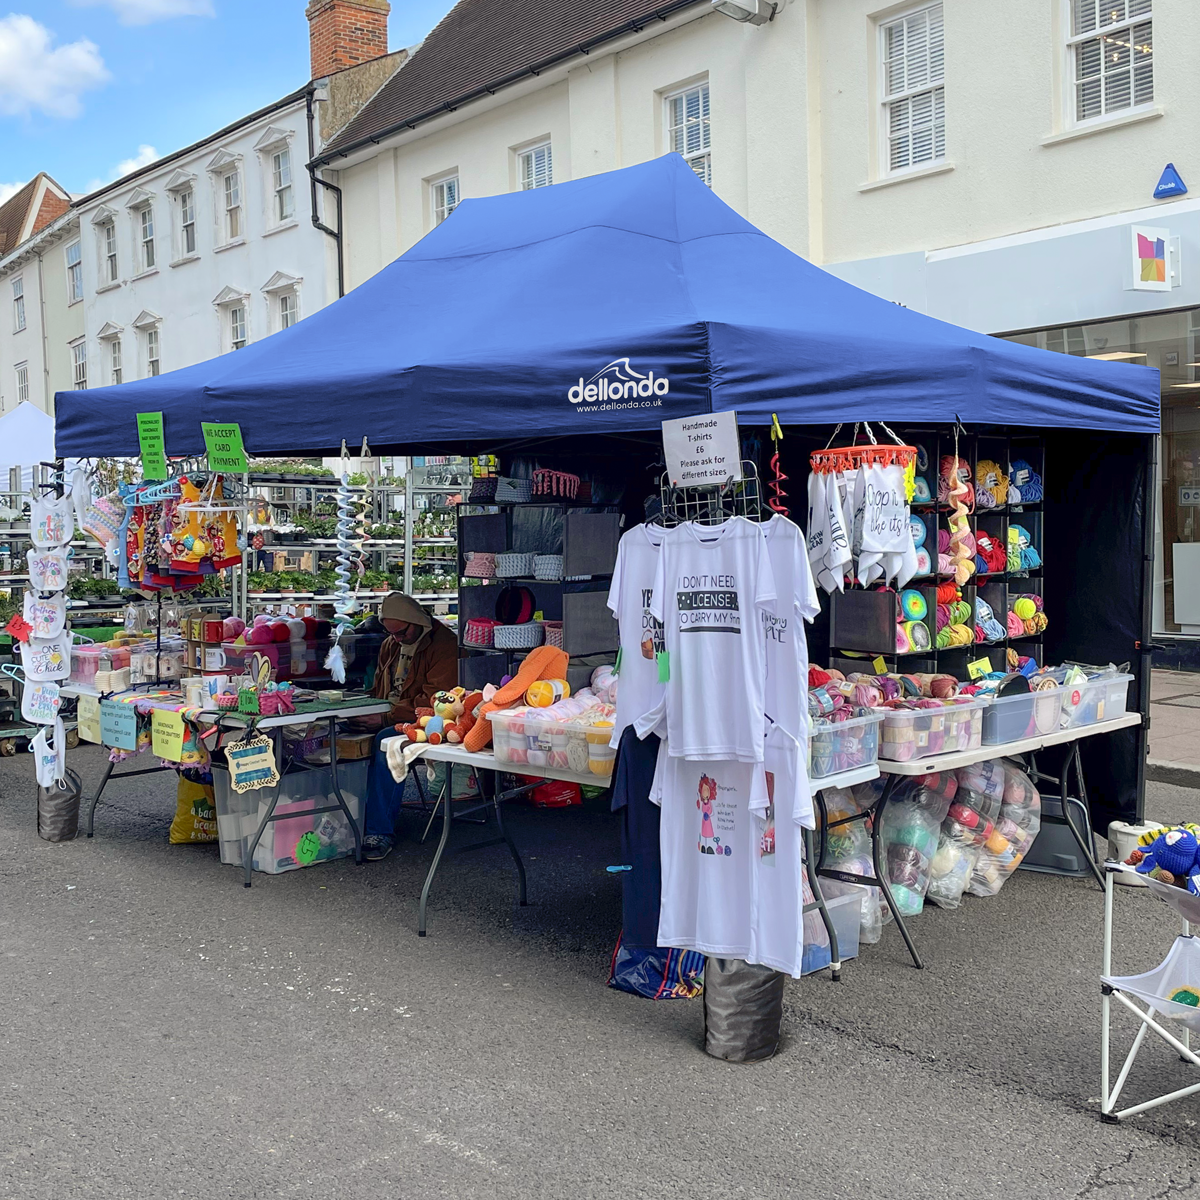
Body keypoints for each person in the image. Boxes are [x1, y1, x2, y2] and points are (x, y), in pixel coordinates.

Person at [361, 592, 458, 860]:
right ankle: (348, 821)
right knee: (340, 736)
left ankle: (378, 831)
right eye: (391, 633)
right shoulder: (390, 644)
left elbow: (437, 698)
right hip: (391, 713)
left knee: (384, 742)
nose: (397, 639)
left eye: (402, 633)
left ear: (416, 621)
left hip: (430, 721)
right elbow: (379, 689)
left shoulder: (445, 644)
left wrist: (384, 717)